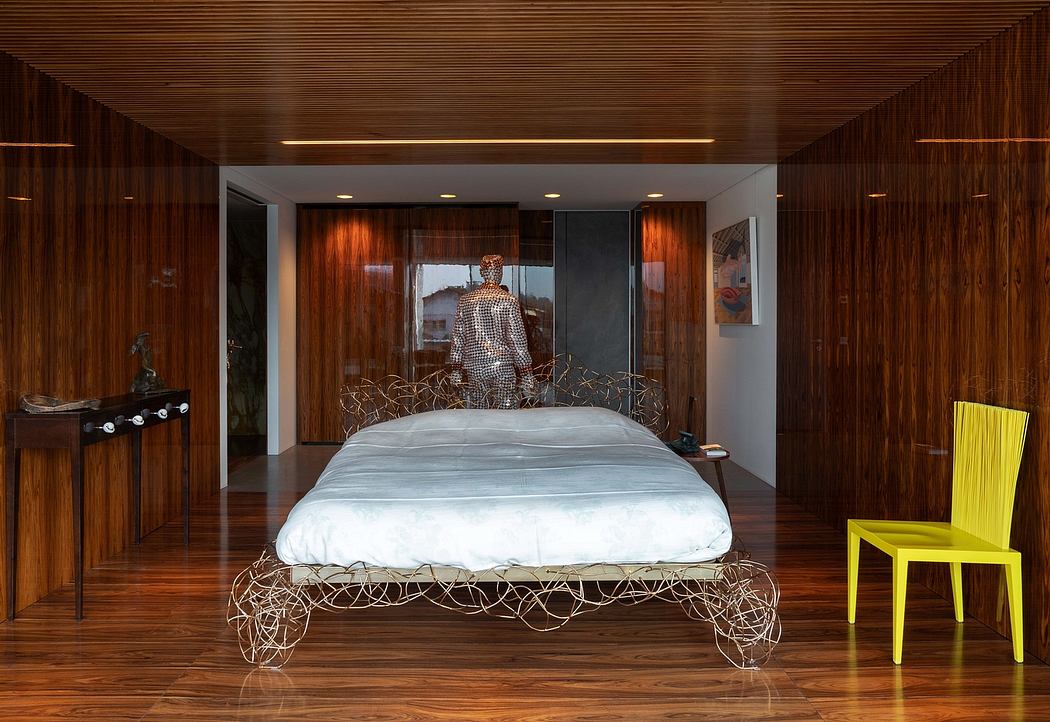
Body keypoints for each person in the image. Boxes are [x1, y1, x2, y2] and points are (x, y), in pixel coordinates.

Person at [449, 255, 535, 408]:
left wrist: (456, 369)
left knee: (479, 411)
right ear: (500, 272)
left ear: (482, 272)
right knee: (505, 410)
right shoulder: (509, 300)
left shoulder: (466, 301)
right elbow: (517, 340)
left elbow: (458, 338)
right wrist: (526, 373)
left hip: (475, 367)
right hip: (502, 367)